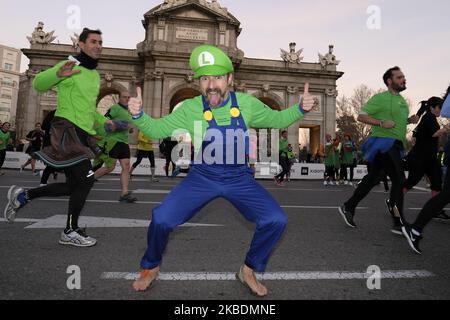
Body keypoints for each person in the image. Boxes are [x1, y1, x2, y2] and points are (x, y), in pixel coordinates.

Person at [129, 44, 315, 297]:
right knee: (161, 219)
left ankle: (248, 269)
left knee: (276, 220)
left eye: (217, 77)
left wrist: (301, 108)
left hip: (239, 178)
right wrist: (139, 115)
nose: (211, 84)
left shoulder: (247, 104)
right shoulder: (189, 109)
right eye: (205, 78)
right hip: (202, 177)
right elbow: (156, 130)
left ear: (229, 79)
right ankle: (150, 266)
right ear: (199, 83)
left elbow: (277, 120)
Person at [3, 28, 117, 247]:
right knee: (86, 180)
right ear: (81, 45)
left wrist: (105, 122)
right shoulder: (71, 65)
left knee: (77, 184)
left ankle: (24, 196)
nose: (98, 45)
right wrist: (58, 74)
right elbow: (38, 83)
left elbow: (89, 109)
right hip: (66, 130)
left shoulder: (94, 75)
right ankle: (69, 230)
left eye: (100, 42)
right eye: (93, 41)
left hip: (82, 135)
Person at [338, 66, 419, 235]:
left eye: (404, 77)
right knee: (398, 179)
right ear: (390, 81)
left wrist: (410, 120)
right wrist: (381, 123)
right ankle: (398, 222)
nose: (403, 79)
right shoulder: (381, 98)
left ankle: (348, 206)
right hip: (384, 143)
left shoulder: (402, 101)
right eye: (399, 77)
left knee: (373, 178)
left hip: (396, 144)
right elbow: (361, 116)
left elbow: (397, 120)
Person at [402, 86, 450, 253]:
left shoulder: (432, 118)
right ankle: (396, 200)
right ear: (432, 108)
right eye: (438, 107)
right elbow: (434, 134)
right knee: (414, 180)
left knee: (438, 184)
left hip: (430, 158)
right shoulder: (428, 119)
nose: (440, 110)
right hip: (421, 157)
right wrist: (445, 129)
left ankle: (432, 213)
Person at [94, 91, 138, 203]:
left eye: (128, 97)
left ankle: (124, 193)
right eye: (124, 97)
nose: (127, 99)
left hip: (124, 142)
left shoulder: (128, 111)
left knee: (126, 166)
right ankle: (87, 181)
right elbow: (105, 122)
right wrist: (120, 125)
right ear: (119, 98)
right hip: (113, 141)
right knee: (110, 167)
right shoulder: (115, 108)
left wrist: (130, 128)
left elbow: (129, 127)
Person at [39, 110, 59, 186]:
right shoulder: (55, 113)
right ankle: (43, 181)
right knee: (53, 164)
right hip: (52, 143)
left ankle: (44, 179)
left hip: (55, 143)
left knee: (55, 163)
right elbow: (44, 126)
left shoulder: (54, 113)